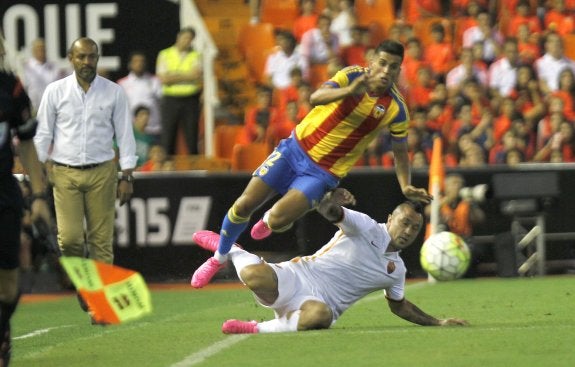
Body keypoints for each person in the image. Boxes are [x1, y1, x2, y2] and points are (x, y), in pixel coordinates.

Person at [191, 40, 433, 288]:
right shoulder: (350, 75)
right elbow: (317, 97)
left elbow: (400, 151)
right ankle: (219, 258)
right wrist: (350, 91)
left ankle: (277, 217)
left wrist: (405, 186)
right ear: (371, 61)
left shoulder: (396, 108)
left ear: (398, 70)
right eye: (382, 63)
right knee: (243, 206)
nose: (386, 71)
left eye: (393, 67)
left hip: (323, 173)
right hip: (294, 149)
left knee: (276, 221)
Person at [192, 188, 468, 334]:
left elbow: (400, 306)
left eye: (414, 229)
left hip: (319, 305)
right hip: (299, 276)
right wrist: (331, 199)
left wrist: (438, 323)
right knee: (254, 277)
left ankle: (255, 328)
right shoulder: (367, 227)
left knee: (320, 317)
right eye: (405, 223)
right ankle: (230, 250)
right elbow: (330, 211)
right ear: (390, 219)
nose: (408, 231)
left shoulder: (397, 270)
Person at [34, 38, 137, 319]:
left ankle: (98, 302)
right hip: (64, 172)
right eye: (81, 57)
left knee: (101, 241)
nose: (87, 62)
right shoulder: (55, 92)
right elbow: (43, 134)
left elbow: (125, 135)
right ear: (71, 58)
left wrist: (127, 175)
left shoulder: (114, 92)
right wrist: (38, 169)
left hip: (103, 170)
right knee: (69, 240)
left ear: (98, 58)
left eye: (92, 57)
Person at [1, 35, 53, 366]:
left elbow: (29, 142)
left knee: (7, 288)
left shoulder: (11, 87)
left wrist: (38, 196)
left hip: (3, 194)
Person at [156, 27, 202, 155]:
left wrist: (174, 75)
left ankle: (194, 168)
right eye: (185, 38)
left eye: (190, 39)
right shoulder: (165, 54)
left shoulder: (196, 55)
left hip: (190, 99)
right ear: (178, 37)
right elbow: (164, 79)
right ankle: (167, 169)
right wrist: (186, 75)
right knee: (168, 137)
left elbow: (196, 75)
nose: (187, 41)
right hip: (170, 100)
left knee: (192, 137)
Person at [117, 51, 163, 141]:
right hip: (131, 130)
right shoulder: (122, 83)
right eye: (136, 61)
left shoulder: (155, 81)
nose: (139, 64)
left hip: (153, 129)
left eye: (142, 61)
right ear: (130, 64)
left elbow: (162, 103)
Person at [22, 38, 66, 115]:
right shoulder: (27, 68)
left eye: (43, 49)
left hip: (52, 110)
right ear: (33, 51)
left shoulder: (53, 67)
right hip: (34, 110)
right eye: (38, 49)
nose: (41, 51)